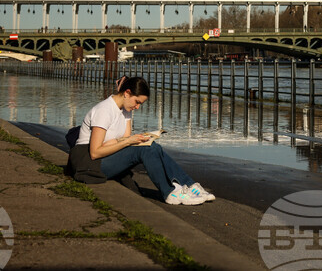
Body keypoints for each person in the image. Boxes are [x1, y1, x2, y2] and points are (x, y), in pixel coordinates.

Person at [67, 76, 214, 205]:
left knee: (152, 146)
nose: (137, 107)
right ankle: (170, 192)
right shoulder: (104, 110)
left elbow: (124, 139)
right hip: (89, 163)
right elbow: (95, 152)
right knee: (146, 149)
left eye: (140, 104)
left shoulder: (126, 110)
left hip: (106, 157)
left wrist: (138, 139)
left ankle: (189, 185)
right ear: (127, 93)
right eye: (137, 102)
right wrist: (129, 141)